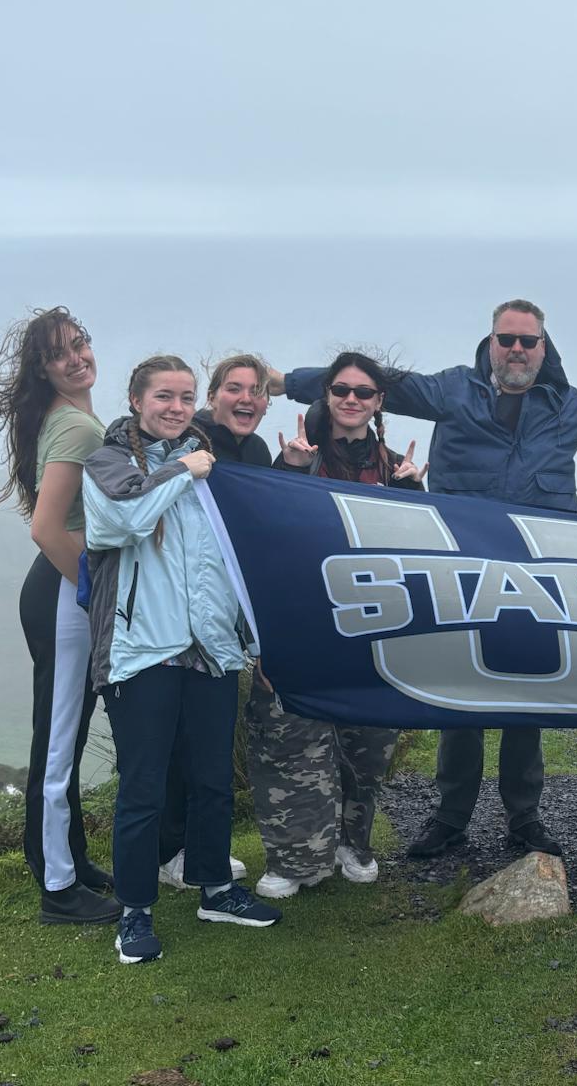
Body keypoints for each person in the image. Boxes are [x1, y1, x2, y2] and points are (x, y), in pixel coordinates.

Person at [271, 300, 577, 859]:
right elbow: (376, 383)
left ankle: (524, 818)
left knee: (529, 696)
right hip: (461, 569)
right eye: (507, 339)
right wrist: (283, 383)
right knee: (462, 697)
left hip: (536, 574)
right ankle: (450, 817)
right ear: (491, 341)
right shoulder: (453, 390)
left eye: (528, 341)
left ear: (544, 348)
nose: (517, 350)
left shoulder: (567, 407)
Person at [83, 354, 281, 964]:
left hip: (211, 648)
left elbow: (231, 553)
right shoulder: (110, 460)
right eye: (163, 396)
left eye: (184, 397)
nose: (174, 407)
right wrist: (181, 472)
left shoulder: (206, 464)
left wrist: (247, 637)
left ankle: (216, 888)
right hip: (144, 650)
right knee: (143, 789)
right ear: (137, 400)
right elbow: (119, 522)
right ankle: (136, 911)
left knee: (212, 780)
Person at [250, 351, 424, 897]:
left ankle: (356, 842)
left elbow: (421, 553)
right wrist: (289, 474)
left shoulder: (399, 468)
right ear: (326, 395)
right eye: (341, 390)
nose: (352, 400)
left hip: (374, 627)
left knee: (367, 746)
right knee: (292, 742)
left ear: (379, 402)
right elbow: (267, 533)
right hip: (302, 625)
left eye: (363, 392)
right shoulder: (297, 458)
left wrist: (416, 495)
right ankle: (297, 861)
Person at [0, 306, 119, 926]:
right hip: (65, 593)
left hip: (59, 590)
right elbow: (45, 528)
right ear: (45, 369)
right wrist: (91, 593)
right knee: (59, 744)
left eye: (80, 343)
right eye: (61, 353)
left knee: (68, 734)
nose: (77, 357)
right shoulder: (79, 429)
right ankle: (58, 888)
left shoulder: (69, 417)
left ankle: (69, 859)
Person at [155, 354, 273, 891]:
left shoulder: (257, 450)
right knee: (179, 739)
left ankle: (201, 851)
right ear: (214, 395)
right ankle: (173, 850)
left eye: (257, 390)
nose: (247, 398)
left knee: (205, 741)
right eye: (235, 388)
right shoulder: (192, 440)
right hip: (178, 607)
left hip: (221, 609)